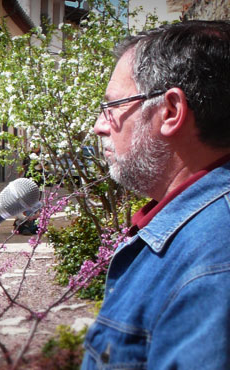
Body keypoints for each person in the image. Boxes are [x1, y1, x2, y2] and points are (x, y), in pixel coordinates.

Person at [84, 21, 230, 368]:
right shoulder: (193, 232)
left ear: (170, 112)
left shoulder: (213, 266)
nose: (100, 125)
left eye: (113, 106)